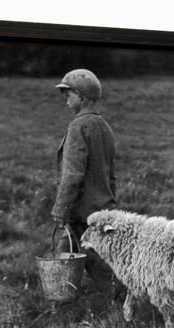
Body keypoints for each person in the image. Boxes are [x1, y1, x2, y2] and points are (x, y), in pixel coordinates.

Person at [52, 69, 119, 297]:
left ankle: (123, 309)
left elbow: (72, 175)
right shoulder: (105, 128)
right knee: (64, 254)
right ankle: (60, 304)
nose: (65, 99)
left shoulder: (78, 127)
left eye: (68, 94)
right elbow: (111, 176)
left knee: (99, 267)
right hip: (101, 209)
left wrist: (61, 209)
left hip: (83, 212)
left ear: (81, 96)